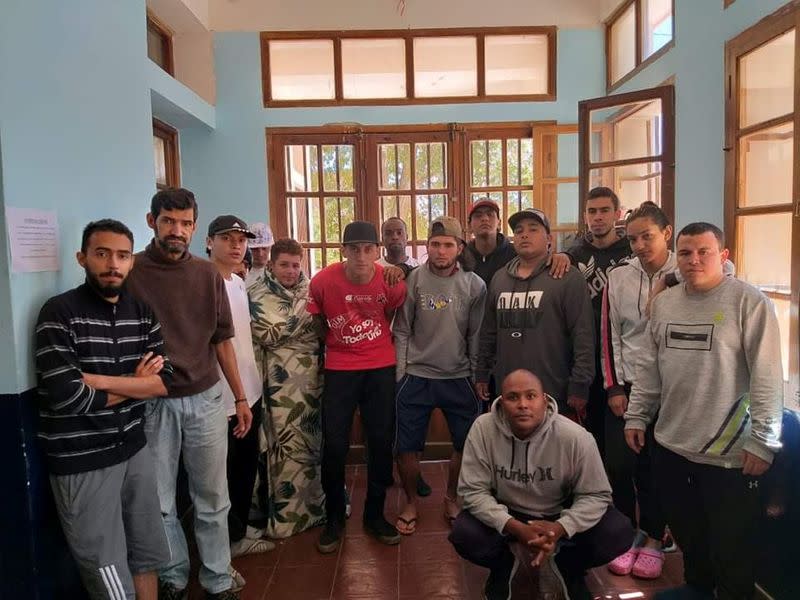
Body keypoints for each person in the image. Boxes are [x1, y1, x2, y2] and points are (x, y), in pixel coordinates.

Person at [625, 222, 783, 600]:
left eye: (703, 252)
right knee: (691, 544)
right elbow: (649, 367)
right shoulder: (664, 303)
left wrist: (763, 441)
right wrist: (636, 413)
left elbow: (768, 377)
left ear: (723, 256)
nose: (693, 260)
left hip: (729, 456)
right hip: (671, 446)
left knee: (731, 553)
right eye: (685, 253)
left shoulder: (750, 302)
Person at [35, 219, 173, 600]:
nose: (113, 263)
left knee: (146, 553)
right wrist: (135, 384)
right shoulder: (59, 313)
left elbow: (165, 381)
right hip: (83, 460)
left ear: (131, 262)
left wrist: (99, 380)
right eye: (102, 253)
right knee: (108, 571)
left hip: (133, 446)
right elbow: (70, 397)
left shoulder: (141, 311)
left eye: (122, 255)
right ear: (82, 258)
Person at [126, 188, 252, 600]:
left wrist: (240, 398)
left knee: (213, 496)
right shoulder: (131, 272)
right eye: (168, 221)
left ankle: (217, 576)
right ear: (152, 222)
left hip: (206, 398)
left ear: (194, 228)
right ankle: (174, 575)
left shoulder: (205, 275)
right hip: (153, 402)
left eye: (184, 223)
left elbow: (222, 341)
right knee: (160, 500)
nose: (176, 230)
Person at [449, 369, 634, 600]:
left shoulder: (576, 437)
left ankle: (566, 565)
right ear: (501, 401)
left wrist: (560, 528)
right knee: (464, 533)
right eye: (513, 397)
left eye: (531, 396)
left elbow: (597, 495)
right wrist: (515, 527)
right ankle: (503, 567)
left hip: (558, 512)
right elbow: (471, 491)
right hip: (507, 510)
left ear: (544, 400)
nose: (523, 404)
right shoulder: (483, 428)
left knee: (618, 531)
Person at [308, 221, 406, 553]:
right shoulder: (323, 281)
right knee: (334, 444)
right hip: (339, 369)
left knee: (379, 441)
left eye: (368, 249)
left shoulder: (391, 281)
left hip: (380, 367)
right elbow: (317, 320)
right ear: (343, 251)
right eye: (354, 249)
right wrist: (338, 342)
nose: (361, 256)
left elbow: (392, 313)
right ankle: (334, 517)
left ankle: (375, 515)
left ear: (377, 251)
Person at [393, 216, 486, 534]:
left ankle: (451, 498)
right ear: (427, 246)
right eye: (435, 244)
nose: (441, 251)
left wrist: (476, 375)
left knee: (464, 445)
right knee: (406, 446)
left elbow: (476, 334)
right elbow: (403, 329)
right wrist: (401, 374)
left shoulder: (474, 284)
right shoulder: (414, 281)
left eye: (448, 245)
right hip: (417, 376)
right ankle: (409, 502)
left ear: (460, 247)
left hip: (459, 376)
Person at [600, 202, 674, 578]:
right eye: (633, 239)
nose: (640, 245)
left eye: (648, 236)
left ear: (667, 233)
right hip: (627, 384)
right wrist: (613, 386)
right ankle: (626, 532)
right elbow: (609, 335)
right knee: (618, 463)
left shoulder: (686, 270)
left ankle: (655, 538)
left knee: (655, 469)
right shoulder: (618, 276)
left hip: (672, 389)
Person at [476, 207, 595, 420]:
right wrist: (482, 373)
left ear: (548, 238)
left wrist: (580, 384)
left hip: (554, 394)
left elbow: (583, 335)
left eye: (533, 229)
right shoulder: (499, 279)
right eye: (519, 230)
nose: (524, 234)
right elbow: (488, 332)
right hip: (508, 394)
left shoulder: (568, 278)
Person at [206, 215, 275, 559]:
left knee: (244, 469)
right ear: (209, 242)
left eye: (241, 239)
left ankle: (236, 537)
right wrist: (238, 396)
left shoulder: (236, 281)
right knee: (220, 480)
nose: (236, 245)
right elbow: (219, 345)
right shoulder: (203, 283)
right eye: (227, 238)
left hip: (249, 392)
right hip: (223, 399)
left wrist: (248, 393)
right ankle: (221, 551)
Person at [249, 238, 326, 538]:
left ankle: (315, 508)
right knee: (284, 447)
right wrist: (307, 319)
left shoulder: (313, 290)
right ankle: (286, 517)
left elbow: (326, 326)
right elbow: (269, 333)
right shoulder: (255, 293)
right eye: (284, 265)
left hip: (312, 381)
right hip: (279, 386)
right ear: (271, 264)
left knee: (313, 443)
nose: (291, 271)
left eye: (296, 265)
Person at [559, 187, 631, 452]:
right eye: (592, 211)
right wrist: (562, 255)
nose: (598, 217)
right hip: (584, 356)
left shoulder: (631, 252)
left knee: (620, 443)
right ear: (585, 216)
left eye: (604, 211)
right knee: (586, 437)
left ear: (617, 214)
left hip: (623, 357)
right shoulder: (574, 254)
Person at [464, 198, 518, 286]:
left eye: (490, 214)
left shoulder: (516, 254)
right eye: (478, 215)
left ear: (499, 223)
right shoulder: (462, 257)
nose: (485, 218)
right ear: (469, 225)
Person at [245, 222, 274, 287]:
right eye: (255, 249)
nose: (260, 254)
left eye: (264, 248)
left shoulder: (279, 272)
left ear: (270, 247)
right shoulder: (240, 273)